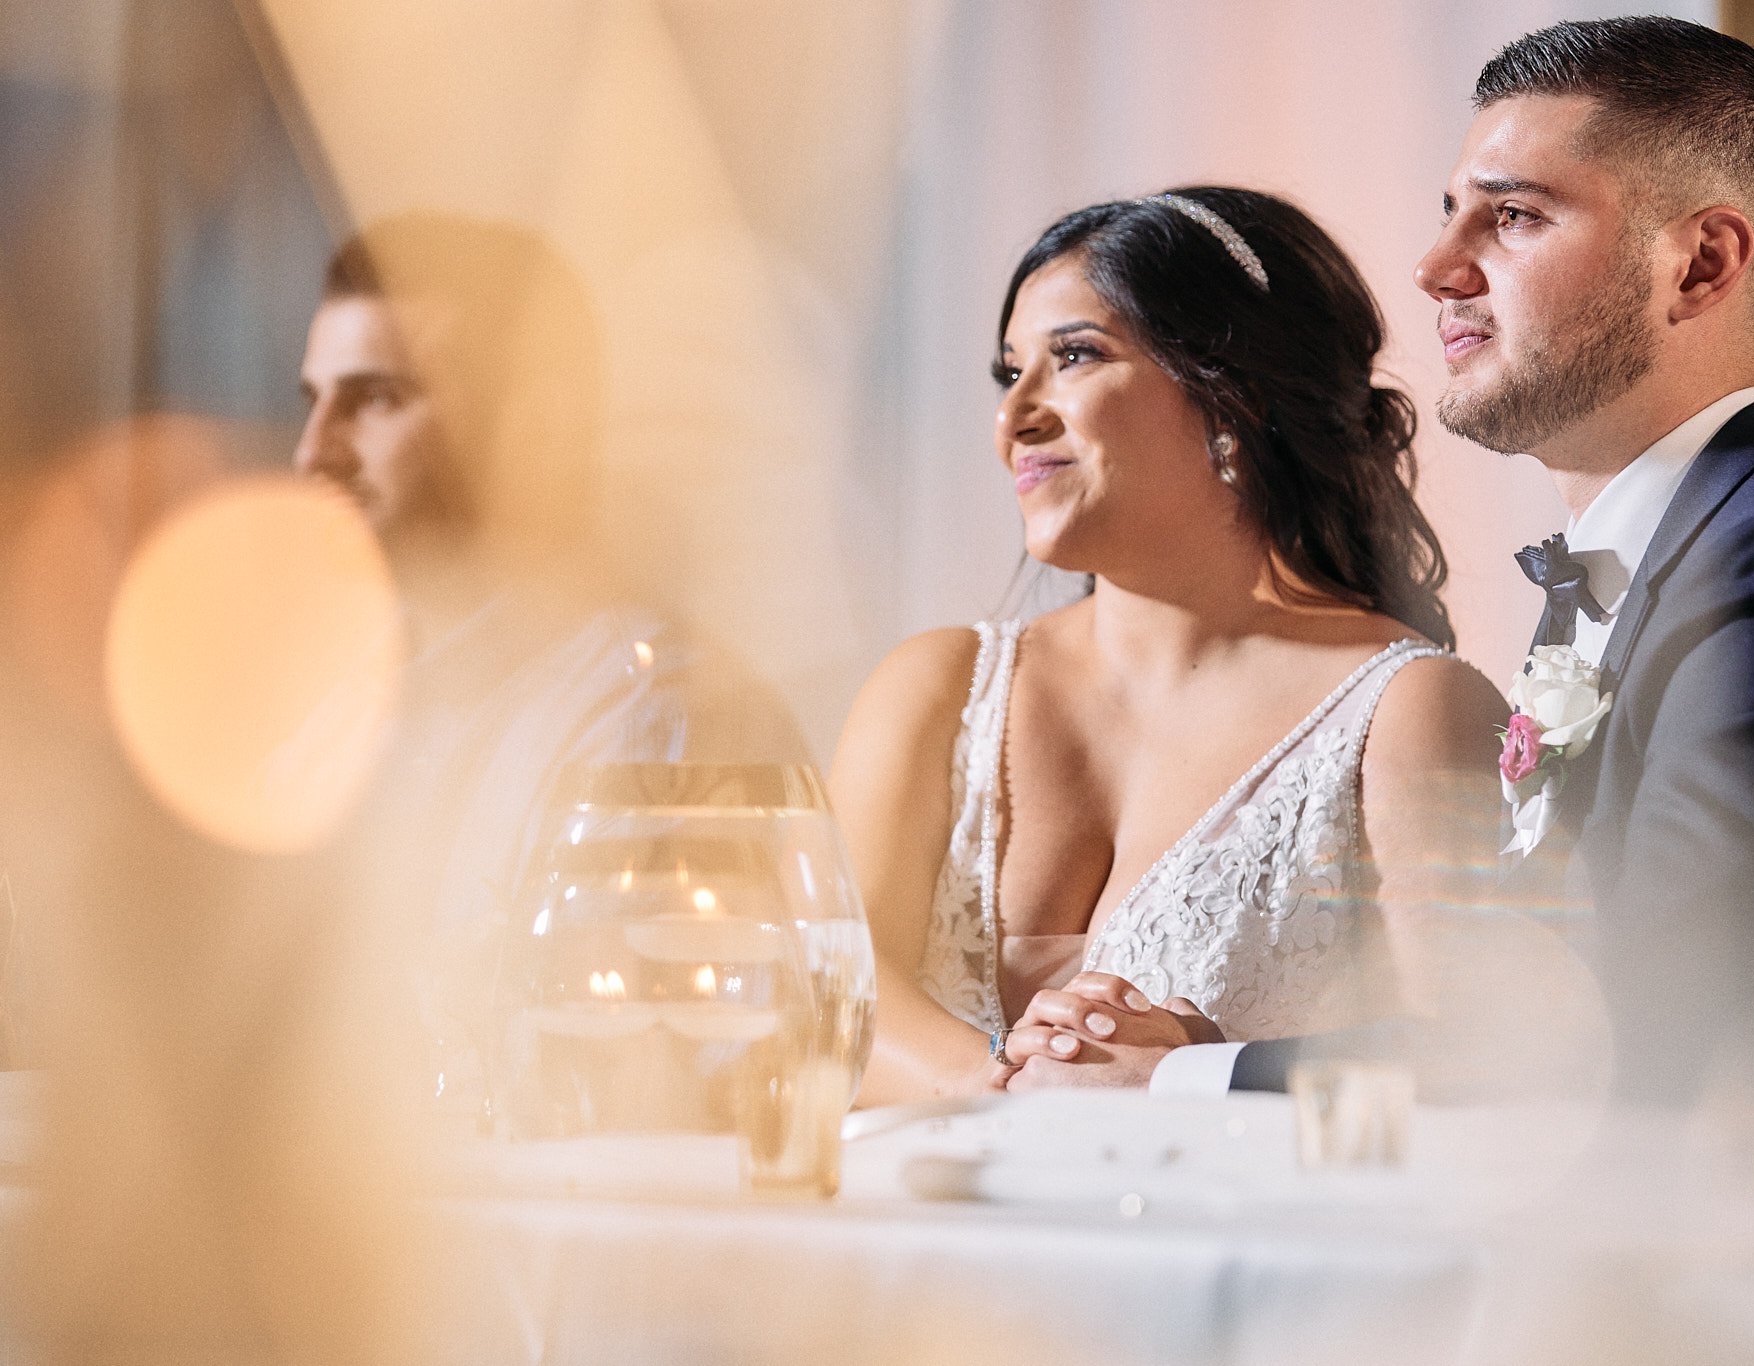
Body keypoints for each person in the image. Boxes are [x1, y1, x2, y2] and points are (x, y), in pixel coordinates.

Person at [1042, 18, 1754, 1101]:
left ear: (1699, 263)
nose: (1436, 269)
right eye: (1449, 216)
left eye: (1512, 216)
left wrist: (1192, 1075)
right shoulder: (1668, 555)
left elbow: (1689, 1010)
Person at [831, 187, 1507, 1106]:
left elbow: (1490, 1060)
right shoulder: (935, 689)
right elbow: (834, 988)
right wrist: (1015, 1091)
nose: (1015, 417)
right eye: (1009, 372)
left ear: (1231, 395)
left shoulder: (1406, 711)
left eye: (1073, 357)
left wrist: (1197, 1070)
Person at [293, 213, 803, 1013]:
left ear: (533, 424)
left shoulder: (657, 715)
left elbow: (651, 1077)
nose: (313, 451)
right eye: (315, 400)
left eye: (376, 400)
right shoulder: (321, 719)